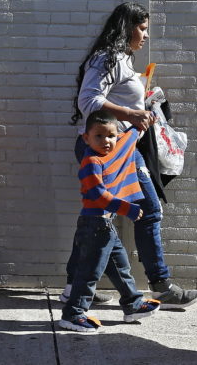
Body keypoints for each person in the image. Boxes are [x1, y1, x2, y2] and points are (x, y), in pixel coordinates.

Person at [67, 2, 197, 309]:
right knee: (146, 211)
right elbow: (88, 101)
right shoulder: (108, 58)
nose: (144, 36)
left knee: (98, 214)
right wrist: (132, 111)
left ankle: (72, 284)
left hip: (124, 148)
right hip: (112, 151)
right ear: (127, 27)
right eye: (141, 28)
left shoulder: (121, 61)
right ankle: (161, 286)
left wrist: (142, 99)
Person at [58, 110, 160, 333]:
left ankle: (133, 304)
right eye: (99, 136)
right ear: (86, 138)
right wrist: (128, 209)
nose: (106, 141)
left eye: (111, 136)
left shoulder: (115, 148)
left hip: (104, 225)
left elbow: (132, 134)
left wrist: (147, 118)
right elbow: (97, 194)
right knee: (89, 272)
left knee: (120, 266)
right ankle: (73, 314)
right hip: (94, 224)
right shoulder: (91, 161)